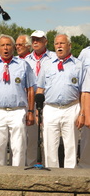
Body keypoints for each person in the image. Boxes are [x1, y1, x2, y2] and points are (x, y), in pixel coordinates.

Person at [0, 34, 36, 167]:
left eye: (8, 45)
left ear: (13, 47)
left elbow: (30, 89)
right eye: (2, 45)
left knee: (18, 147)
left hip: (18, 111)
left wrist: (30, 111)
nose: (5, 48)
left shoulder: (23, 65)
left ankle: (17, 175)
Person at [36, 34, 85, 168]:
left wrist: (82, 112)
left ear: (69, 46)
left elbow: (83, 91)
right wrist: (37, 111)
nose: (59, 46)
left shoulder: (79, 65)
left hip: (71, 108)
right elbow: (40, 88)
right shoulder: (47, 65)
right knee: (50, 145)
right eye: (57, 44)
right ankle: (52, 176)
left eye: (62, 43)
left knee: (71, 145)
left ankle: (70, 176)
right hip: (50, 108)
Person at [24, 30, 57, 166]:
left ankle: (48, 165)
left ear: (46, 41)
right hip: (31, 102)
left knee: (50, 138)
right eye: (33, 40)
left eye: (38, 39)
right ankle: (32, 164)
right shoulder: (26, 60)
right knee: (31, 137)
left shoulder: (54, 57)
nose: (35, 42)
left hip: (49, 101)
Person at [77, 46, 90, 168]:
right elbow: (84, 89)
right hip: (88, 104)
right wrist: (84, 112)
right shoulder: (85, 53)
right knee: (87, 143)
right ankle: (84, 170)